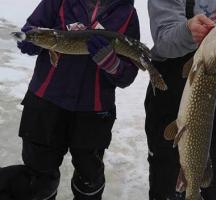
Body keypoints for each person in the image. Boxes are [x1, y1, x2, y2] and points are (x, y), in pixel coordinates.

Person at [1, 0, 140, 199]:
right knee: (38, 175)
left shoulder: (127, 14)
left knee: (89, 178)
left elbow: (128, 75)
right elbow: (31, 29)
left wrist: (113, 64)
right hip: (45, 103)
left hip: (94, 111)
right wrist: (30, 40)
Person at [144, 0, 216, 199]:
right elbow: (164, 40)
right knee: (167, 181)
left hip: (213, 89)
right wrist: (187, 31)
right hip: (170, 93)